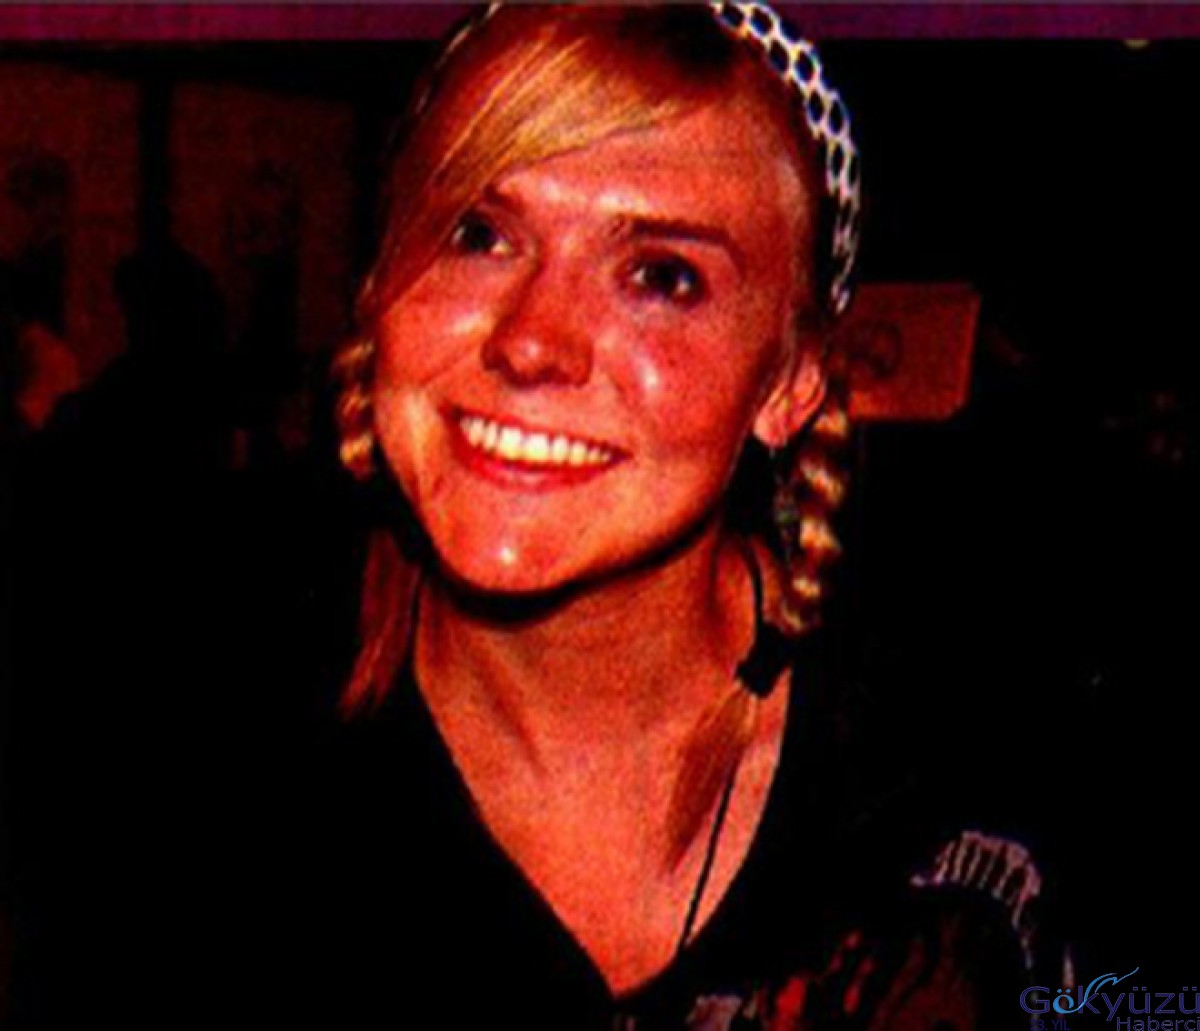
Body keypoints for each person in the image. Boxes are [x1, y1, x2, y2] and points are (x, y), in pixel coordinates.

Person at [304, 4, 1054, 1029]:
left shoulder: (971, 743)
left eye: (662, 276)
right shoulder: (170, 743)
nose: (532, 342)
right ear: (381, 284)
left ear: (788, 383)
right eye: (479, 235)